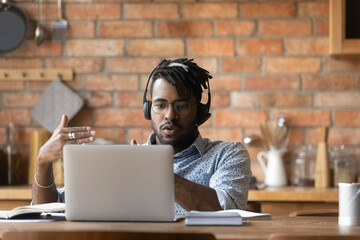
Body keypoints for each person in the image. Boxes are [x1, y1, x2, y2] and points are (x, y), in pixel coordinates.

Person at [32, 58, 251, 214]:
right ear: (148, 110)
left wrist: (155, 172)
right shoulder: (125, 161)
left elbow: (227, 210)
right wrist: (42, 162)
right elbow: (52, 209)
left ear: (200, 111)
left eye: (182, 105)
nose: (170, 115)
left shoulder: (228, 154)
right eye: (161, 105)